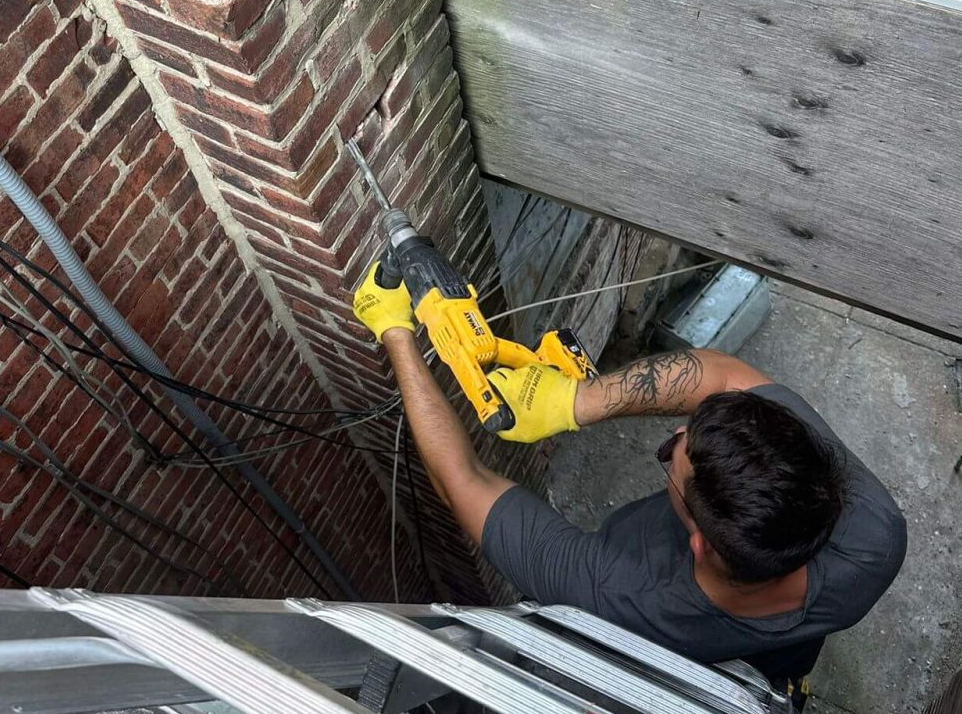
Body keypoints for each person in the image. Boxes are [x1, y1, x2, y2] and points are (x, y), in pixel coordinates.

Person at [353, 265, 907, 688]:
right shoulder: (874, 537)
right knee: (782, 663)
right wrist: (576, 401)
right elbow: (725, 376)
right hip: (785, 652)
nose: (674, 443)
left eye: (671, 454)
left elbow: (462, 480)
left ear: (695, 541)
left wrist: (395, 332)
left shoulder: (613, 594)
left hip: (686, 665)